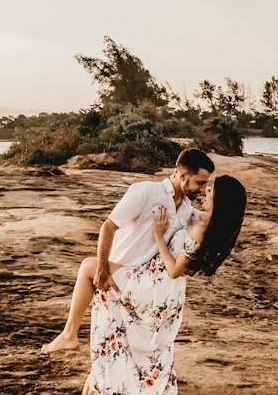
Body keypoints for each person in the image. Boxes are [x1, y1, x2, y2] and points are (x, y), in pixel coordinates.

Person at [66, 172, 247, 395]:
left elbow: (175, 269)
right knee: (158, 367)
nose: (206, 190)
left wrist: (156, 237)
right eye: (206, 184)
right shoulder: (207, 223)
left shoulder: (203, 227)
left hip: (153, 289)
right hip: (168, 300)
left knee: (91, 274)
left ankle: (69, 338)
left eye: (211, 188)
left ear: (220, 198)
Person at [40, 148, 215, 355]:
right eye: (200, 183)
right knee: (111, 341)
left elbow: (210, 220)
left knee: (89, 269)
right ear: (182, 175)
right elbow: (108, 227)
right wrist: (102, 269)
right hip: (122, 272)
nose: (203, 189)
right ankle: (70, 336)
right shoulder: (145, 191)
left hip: (145, 283)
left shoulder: (186, 208)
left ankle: (69, 333)